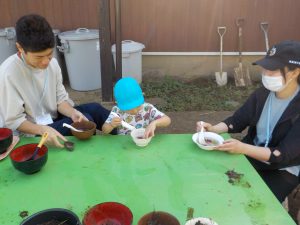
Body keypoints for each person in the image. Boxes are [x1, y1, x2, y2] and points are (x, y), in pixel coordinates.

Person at [197, 40, 300, 202]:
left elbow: (283, 155)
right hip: (251, 153)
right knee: (217, 185)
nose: (266, 74)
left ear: (295, 73)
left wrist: (242, 148)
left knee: (257, 203)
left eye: (272, 70)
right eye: (265, 68)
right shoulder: (263, 94)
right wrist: (214, 129)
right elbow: (237, 120)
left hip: (282, 168)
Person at [0, 14, 112, 148]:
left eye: (49, 54)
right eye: (39, 57)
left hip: (51, 118)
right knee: (84, 124)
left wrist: (73, 113)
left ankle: (132, 130)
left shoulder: (52, 64)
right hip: (30, 131)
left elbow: (60, 101)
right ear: (20, 48)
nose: (45, 62)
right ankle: (84, 158)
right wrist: (42, 130)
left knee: (94, 110)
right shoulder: (9, 73)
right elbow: (14, 121)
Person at [102, 77, 171, 137]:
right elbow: (104, 130)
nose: (135, 111)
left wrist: (154, 123)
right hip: (123, 143)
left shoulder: (148, 108)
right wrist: (111, 125)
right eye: (129, 109)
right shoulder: (116, 111)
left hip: (144, 138)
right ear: (118, 103)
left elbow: (167, 120)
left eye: (138, 106)